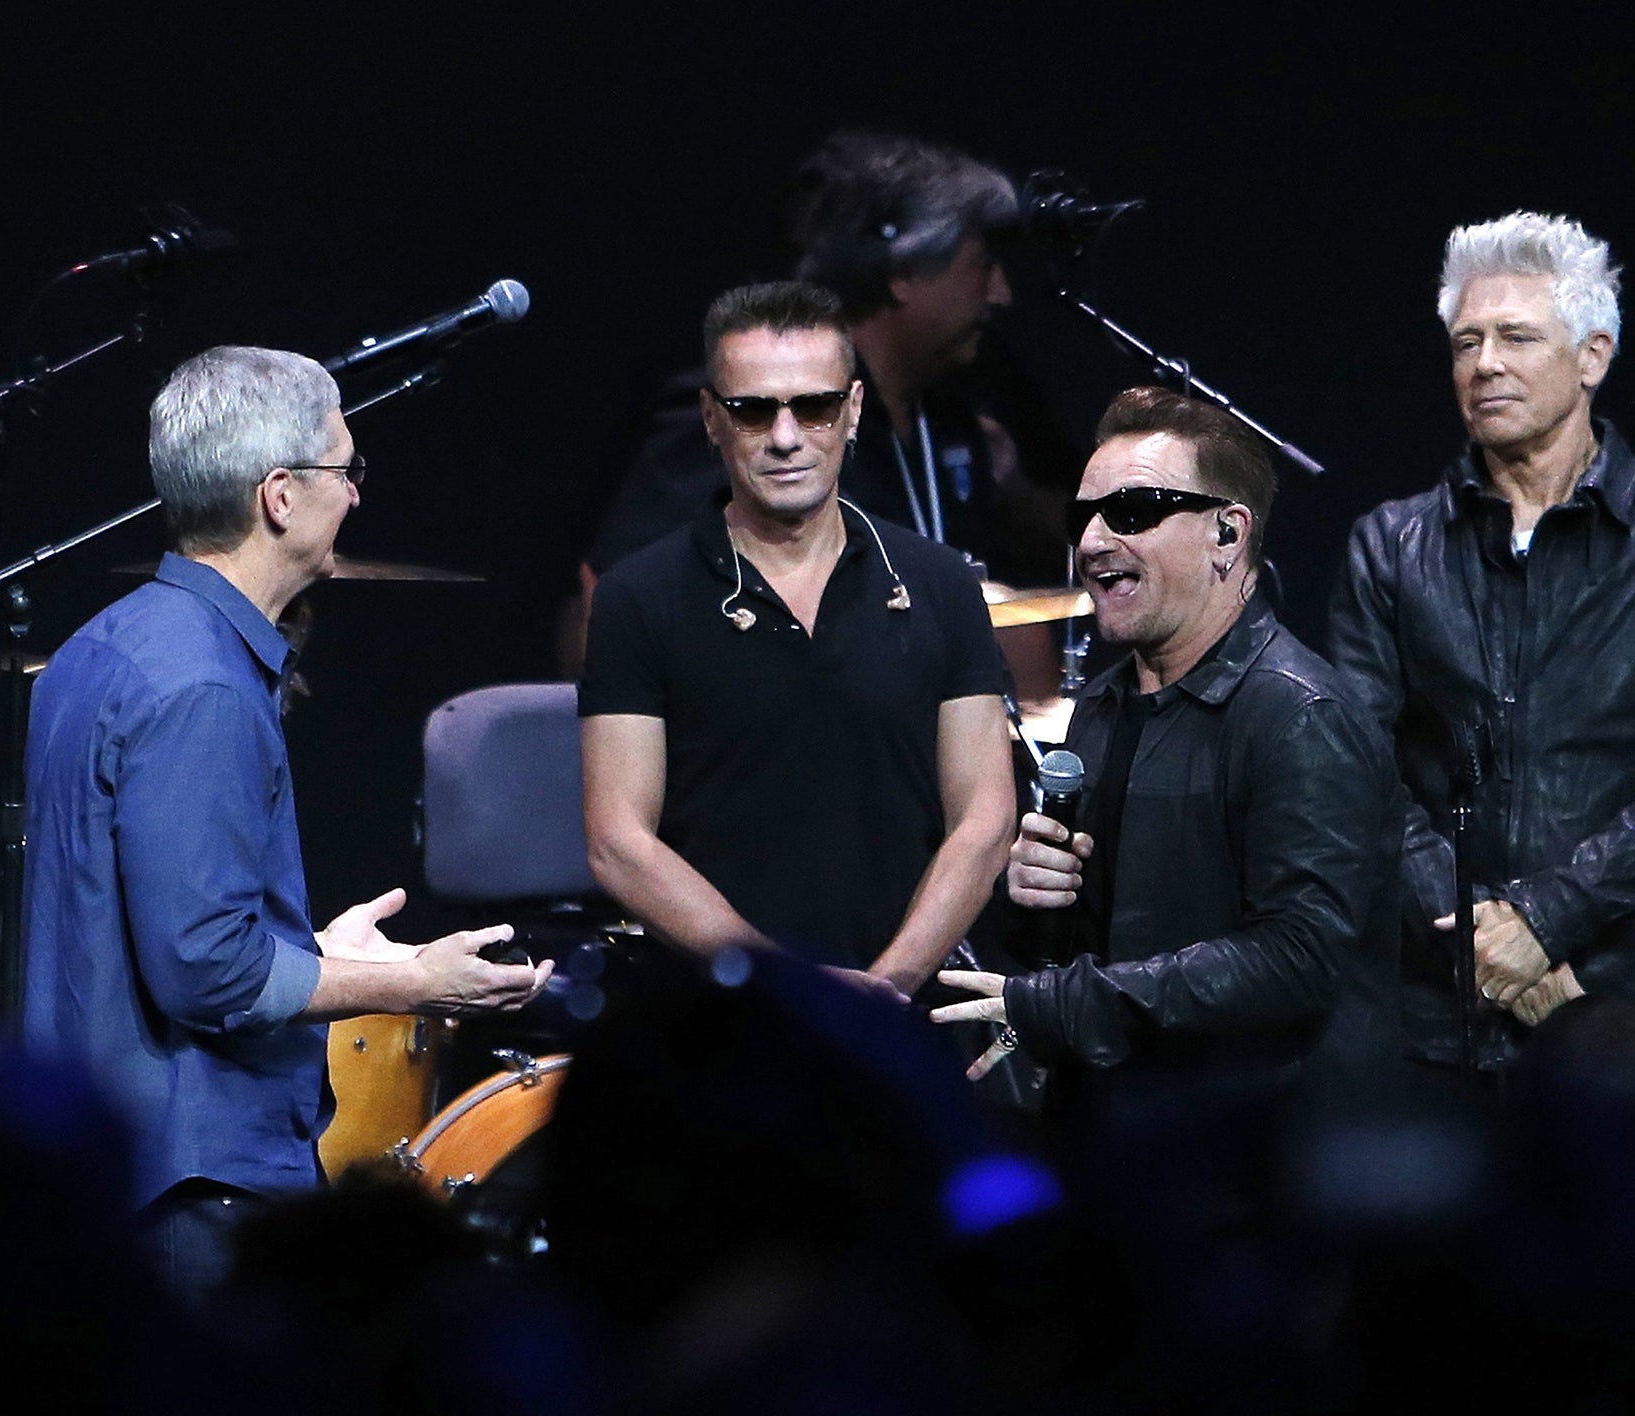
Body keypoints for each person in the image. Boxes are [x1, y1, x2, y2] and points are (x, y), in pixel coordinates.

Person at [20, 345, 551, 1301]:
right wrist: (411, 982)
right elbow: (204, 971)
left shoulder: (103, 647)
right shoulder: (204, 689)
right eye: (345, 470)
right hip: (197, 1184)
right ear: (279, 495)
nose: (355, 494)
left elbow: (147, 925)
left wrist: (308, 948)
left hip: (115, 1168)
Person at [936, 387, 1401, 1094]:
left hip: (1262, 1158)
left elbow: (1296, 957)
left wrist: (1070, 1007)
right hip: (1126, 1143)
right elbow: (1080, 950)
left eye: (1131, 511)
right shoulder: (1102, 706)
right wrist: (1032, 900)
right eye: (1083, 514)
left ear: (1228, 533)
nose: (1092, 541)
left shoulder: (1301, 716)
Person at [578, 281, 1018, 999]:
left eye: (812, 407)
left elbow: (987, 817)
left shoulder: (938, 583)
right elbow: (618, 843)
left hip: (905, 1009)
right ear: (711, 419)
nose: (784, 438)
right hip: (722, 1018)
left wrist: (888, 988)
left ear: (851, 411)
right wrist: (790, 992)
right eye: (753, 411)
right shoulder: (639, 598)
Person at [566, 131, 1079, 685]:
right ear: (905, 271)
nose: (1001, 293)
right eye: (982, 265)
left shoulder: (955, 422)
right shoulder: (752, 410)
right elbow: (607, 607)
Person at [1329, 212, 1630, 1071]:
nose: (1485, 363)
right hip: (1435, 1005)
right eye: (1467, 342)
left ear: (1592, 357)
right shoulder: (1389, 546)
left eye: (1516, 337)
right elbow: (1359, 769)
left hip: (1611, 990)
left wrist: (1544, 923)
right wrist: (1478, 938)